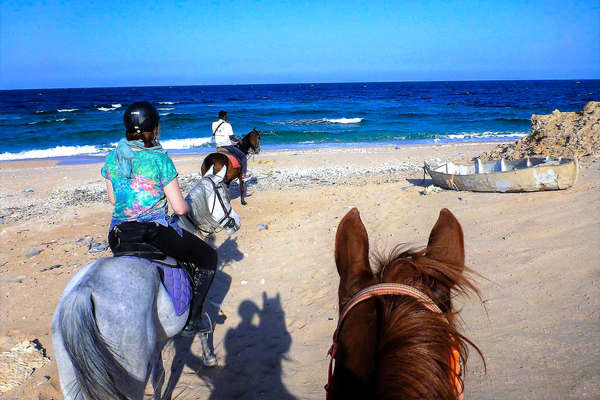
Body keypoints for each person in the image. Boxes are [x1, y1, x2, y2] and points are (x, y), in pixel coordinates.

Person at [101, 101, 216, 336]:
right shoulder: (160, 159)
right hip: (151, 234)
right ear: (154, 128)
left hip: (118, 235)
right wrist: (183, 206)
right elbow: (180, 209)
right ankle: (193, 319)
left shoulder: (113, 157)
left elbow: (113, 200)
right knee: (208, 256)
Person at [212, 110, 250, 179]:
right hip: (227, 146)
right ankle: (243, 174)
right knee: (243, 156)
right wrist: (238, 140)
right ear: (224, 116)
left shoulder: (213, 124)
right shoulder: (227, 125)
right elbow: (231, 138)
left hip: (218, 147)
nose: (227, 117)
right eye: (226, 116)